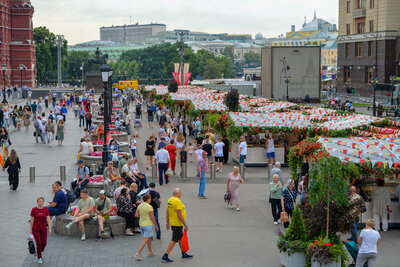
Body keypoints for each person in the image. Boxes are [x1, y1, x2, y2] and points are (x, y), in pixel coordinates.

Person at [162, 188, 193, 263]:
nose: (181, 194)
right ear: (177, 193)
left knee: (180, 238)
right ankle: (165, 255)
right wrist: (185, 224)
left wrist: (167, 222)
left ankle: (183, 253)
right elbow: (179, 213)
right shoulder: (177, 201)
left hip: (173, 222)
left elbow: (167, 211)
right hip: (178, 224)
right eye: (180, 192)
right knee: (174, 240)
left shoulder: (170, 199)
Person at [134, 194, 158, 261]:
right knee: (145, 240)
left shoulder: (140, 205)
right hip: (148, 224)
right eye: (150, 198)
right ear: (148, 199)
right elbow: (152, 217)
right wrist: (156, 225)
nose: (150, 200)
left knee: (149, 238)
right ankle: (138, 253)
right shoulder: (150, 207)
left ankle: (150, 252)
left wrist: (142, 217)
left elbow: (136, 215)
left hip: (141, 224)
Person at [30, 197, 51, 264]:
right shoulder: (34, 209)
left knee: (44, 243)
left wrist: (50, 228)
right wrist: (30, 230)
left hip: (43, 229)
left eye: (42, 201)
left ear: (43, 202)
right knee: (39, 243)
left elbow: (48, 219)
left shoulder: (46, 209)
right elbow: (32, 220)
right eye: (39, 201)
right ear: (37, 202)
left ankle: (41, 251)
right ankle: (39, 257)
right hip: (35, 229)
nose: (40, 202)